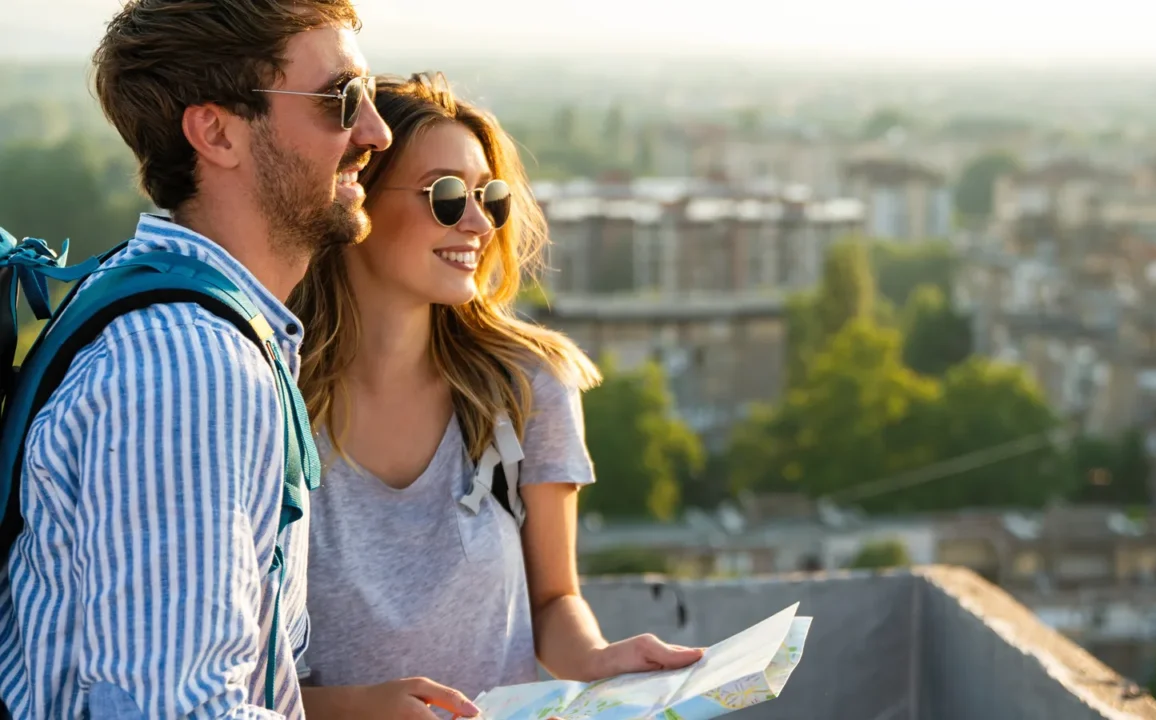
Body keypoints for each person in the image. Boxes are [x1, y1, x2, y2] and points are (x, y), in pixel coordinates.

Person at [0, 1, 392, 717]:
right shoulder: (191, 366)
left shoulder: (164, 308)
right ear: (216, 132)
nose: (376, 131)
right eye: (342, 99)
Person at [288, 72, 704, 719]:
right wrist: (357, 709)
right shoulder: (267, 397)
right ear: (356, 195)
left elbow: (553, 601)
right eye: (446, 196)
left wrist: (596, 658)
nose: (479, 223)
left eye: (492, 197)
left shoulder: (526, 387)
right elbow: (229, 676)